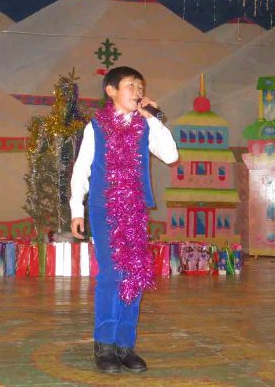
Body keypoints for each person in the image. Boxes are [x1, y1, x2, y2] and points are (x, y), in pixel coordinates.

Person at [70, 66, 178, 373]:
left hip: (135, 211)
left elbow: (171, 156)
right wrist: (76, 209)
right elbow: (81, 169)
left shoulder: (146, 126)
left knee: (135, 276)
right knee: (112, 275)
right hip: (104, 209)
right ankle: (104, 346)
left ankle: (124, 346)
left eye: (140, 86)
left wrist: (153, 118)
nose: (138, 91)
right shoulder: (96, 126)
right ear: (111, 91)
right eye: (131, 85)